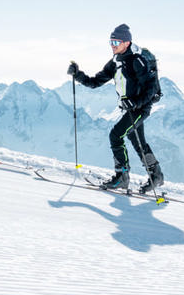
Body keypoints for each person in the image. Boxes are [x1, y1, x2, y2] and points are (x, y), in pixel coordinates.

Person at [68, 24, 165, 193]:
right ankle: (156, 176)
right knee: (137, 141)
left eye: (116, 42)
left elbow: (151, 88)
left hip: (140, 108)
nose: (112, 45)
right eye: (111, 42)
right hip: (130, 108)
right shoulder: (115, 62)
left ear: (126, 43)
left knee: (116, 135)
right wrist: (78, 75)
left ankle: (122, 177)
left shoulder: (137, 61)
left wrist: (135, 103)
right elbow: (95, 81)